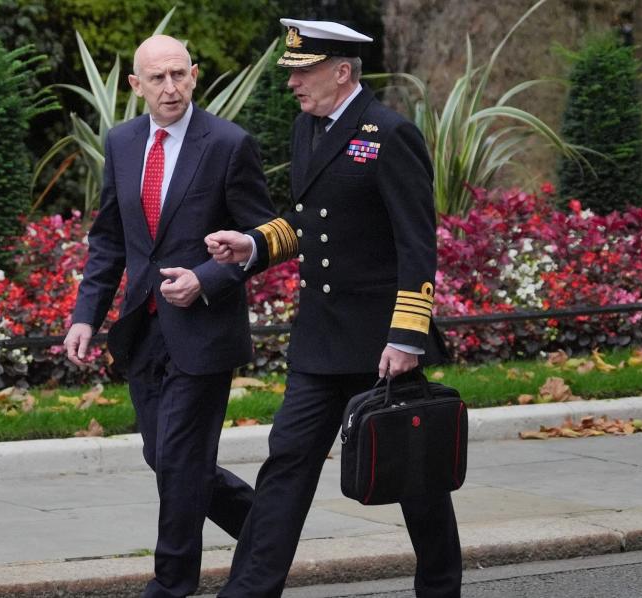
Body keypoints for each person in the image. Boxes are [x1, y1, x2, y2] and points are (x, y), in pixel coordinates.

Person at [205, 19, 462, 598]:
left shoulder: (390, 134)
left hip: (382, 346)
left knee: (416, 481)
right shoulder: (308, 127)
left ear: (341, 72)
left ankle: (441, 590)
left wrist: (406, 337)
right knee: (286, 468)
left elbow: (416, 244)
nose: (293, 82)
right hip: (320, 340)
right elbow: (309, 223)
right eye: (292, 71)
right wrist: (252, 244)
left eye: (303, 70)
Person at [63, 34, 276, 598]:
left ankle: (172, 583)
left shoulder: (229, 144)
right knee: (165, 458)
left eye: (179, 74)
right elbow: (109, 238)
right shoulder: (123, 141)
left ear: (196, 75)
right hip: (142, 329)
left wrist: (205, 279)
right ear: (135, 87)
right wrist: (87, 314)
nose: (170, 87)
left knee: (180, 458)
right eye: (156, 78)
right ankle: (267, 530)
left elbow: (263, 240)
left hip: (204, 330)